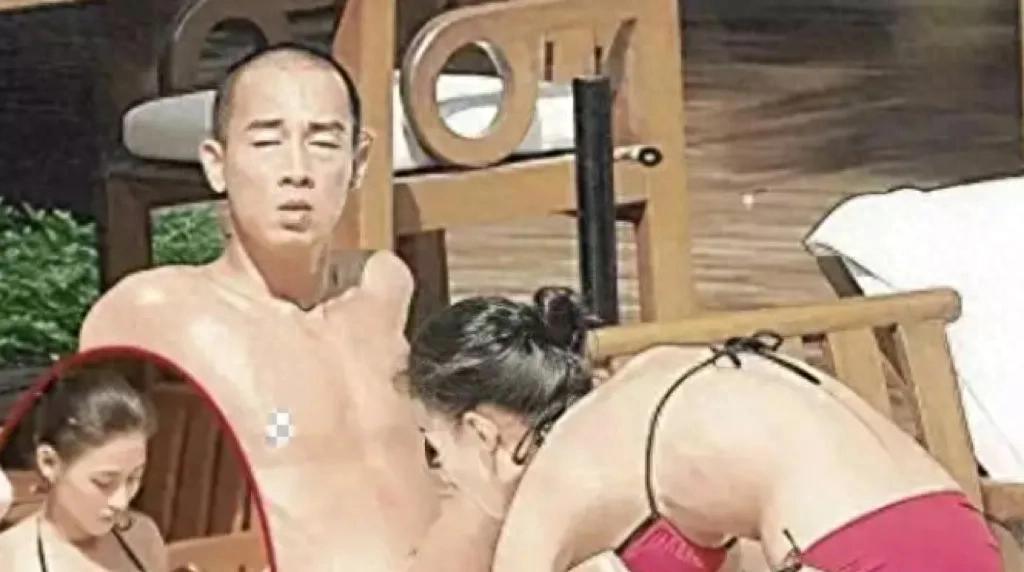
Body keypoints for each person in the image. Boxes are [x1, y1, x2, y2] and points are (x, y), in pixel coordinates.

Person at [79, 43, 445, 570]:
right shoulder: (158, 312)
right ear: (217, 164)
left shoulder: (380, 287)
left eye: (323, 143)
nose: (297, 170)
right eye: (268, 142)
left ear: (358, 163)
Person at [404, 287, 1002, 572]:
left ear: (481, 433)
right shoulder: (650, 389)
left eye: (434, 451)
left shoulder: (561, 472)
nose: (444, 475)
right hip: (956, 532)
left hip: (853, 554)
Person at [0, 367, 166, 571]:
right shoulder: (10, 559)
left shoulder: (143, 538)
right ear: (49, 463)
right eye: (103, 482)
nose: (121, 502)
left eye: (133, 478)